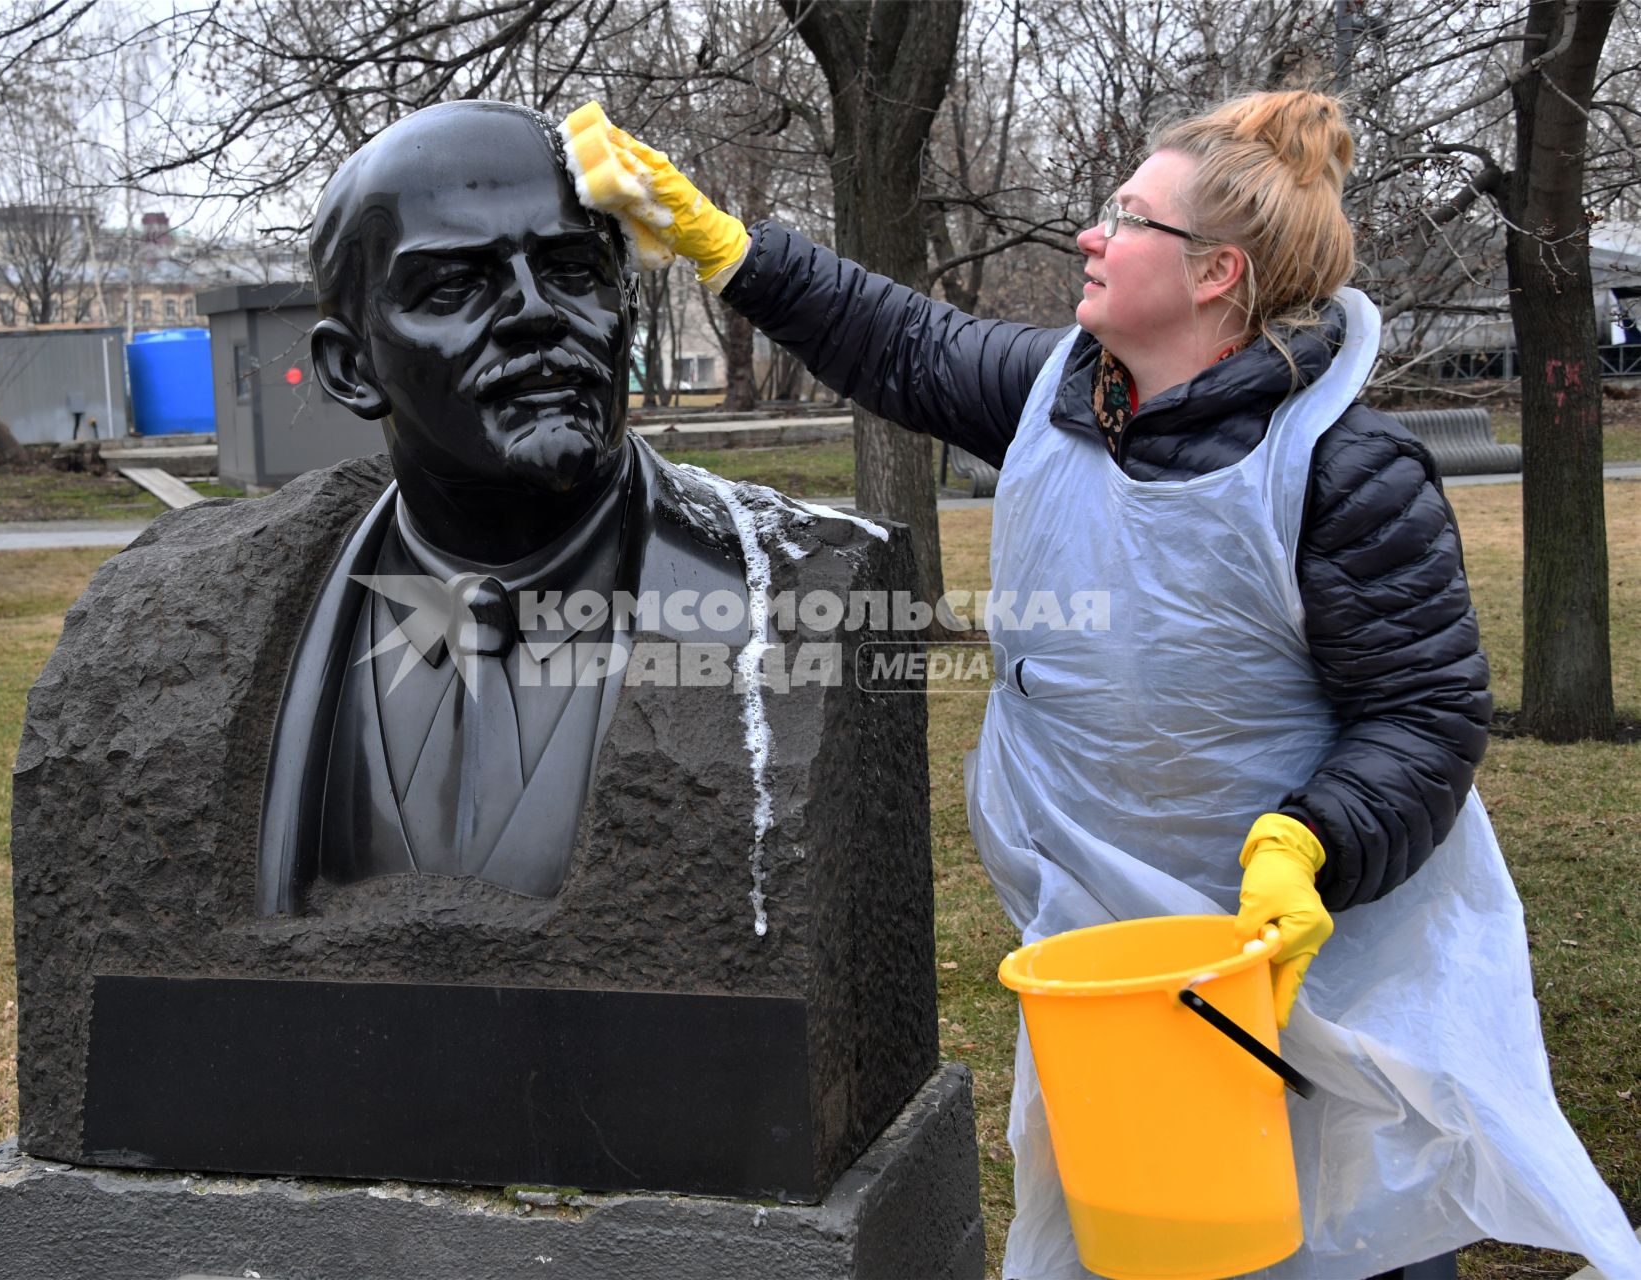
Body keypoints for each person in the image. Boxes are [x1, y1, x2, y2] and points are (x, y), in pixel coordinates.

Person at [563, 91, 1641, 1280]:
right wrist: (725, 243)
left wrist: (1311, 843)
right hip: (1110, 972)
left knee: (1330, 1227)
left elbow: (1426, 712)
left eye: (1126, 218)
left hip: (1297, 965)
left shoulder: (1347, 470)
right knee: (1136, 1239)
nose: (1089, 235)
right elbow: (902, 341)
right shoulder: (1062, 395)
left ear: (1217, 273)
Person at [257, 100, 745, 912]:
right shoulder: (267, 620)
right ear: (349, 369)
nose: (535, 312)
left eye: (571, 270)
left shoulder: (777, 592)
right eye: (453, 286)